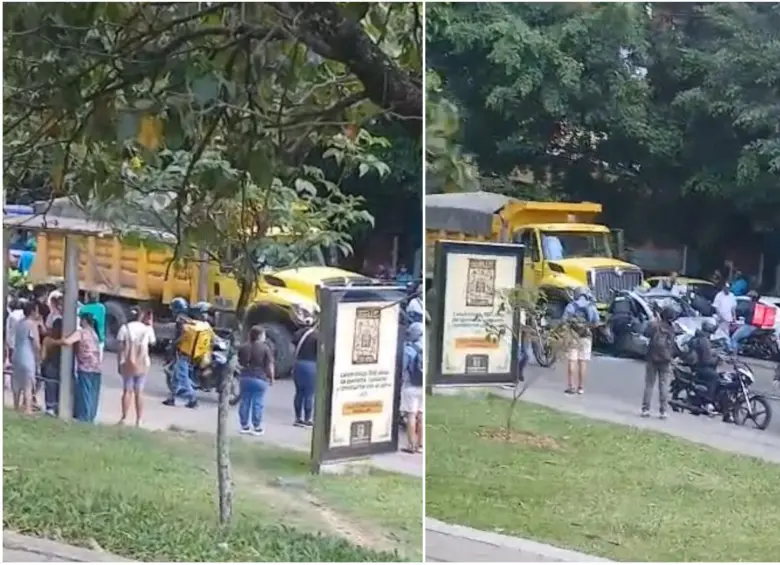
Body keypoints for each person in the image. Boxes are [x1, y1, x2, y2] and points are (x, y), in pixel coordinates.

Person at [57, 312, 103, 422]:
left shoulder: (81, 333)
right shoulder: (94, 333)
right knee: (93, 394)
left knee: (85, 393)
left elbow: (67, 342)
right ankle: (91, 417)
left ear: (84, 321)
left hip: (86, 367)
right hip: (97, 367)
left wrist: (59, 339)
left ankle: (84, 417)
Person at [116, 307, 156, 427]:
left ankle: (124, 418)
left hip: (127, 363)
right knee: (139, 391)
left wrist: (119, 364)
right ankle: (139, 420)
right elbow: (153, 342)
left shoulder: (124, 328)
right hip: (143, 363)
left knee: (127, 391)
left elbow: (120, 348)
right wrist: (151, 324)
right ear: (140, 316)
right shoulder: (147, 329)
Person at [237, 325, 275, 435]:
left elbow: (240, 362)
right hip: (259, 378)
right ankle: (257, 426)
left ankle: (244, 425)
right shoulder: (265, 348)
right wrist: (271, 378)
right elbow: (269, 365)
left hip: (245, 377)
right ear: (260, 336)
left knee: (245, 401)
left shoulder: (243, 347)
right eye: (264, 335)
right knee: (257, 402)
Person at [641, 306, 677, 419]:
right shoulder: (671, 328)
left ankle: (645, 409)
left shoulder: (655, 325)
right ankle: (663, 411)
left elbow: (645, 333)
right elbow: (672, 345)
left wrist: (653, 322)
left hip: (652, 357)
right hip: (665, 360)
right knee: (664, 385)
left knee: (649, 385)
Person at [562, 286, 600, 394]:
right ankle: (581, 387)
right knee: (583, 362)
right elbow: (596, 322)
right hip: (586, 336)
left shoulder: (571, 306)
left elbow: (564, 320)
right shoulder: (591, 306)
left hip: (573, 336)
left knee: (572, 361)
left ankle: (571, 386)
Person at [163, 297, 198, 409]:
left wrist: (173, 344)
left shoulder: (180, 320)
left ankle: (193, 399)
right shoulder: (187, 319)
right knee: (175, 377)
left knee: (182, 376)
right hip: (186, 352)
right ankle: (171, 398)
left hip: (182, 352)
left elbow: (182, 336)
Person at [11, 301, 41, 414]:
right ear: (33, 311)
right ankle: (28, 408)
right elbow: (36, 343)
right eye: (37, 310)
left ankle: (15, 406)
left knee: (17, 382)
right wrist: (39, 355)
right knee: (28, 383)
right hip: (27, 355)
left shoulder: (19, 323)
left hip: (17, 353)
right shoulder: (32, 324)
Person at [688, 320, 720, 415]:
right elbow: (706, 360)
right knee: (715, 377)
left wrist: (713, 352)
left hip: (697, 366)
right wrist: (717, 359)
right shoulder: (704, 340)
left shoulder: (700, 337)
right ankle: (708, 401)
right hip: (701, 367)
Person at [401, 322, 424, 454]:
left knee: (411, 415)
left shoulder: (409, 349)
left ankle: (411, 445)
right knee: (421, 416)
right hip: (422, 386)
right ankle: (420, 446)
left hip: (410, 386)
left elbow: (403, 367)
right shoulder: (425, 348)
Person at [292, 325, 318, 427]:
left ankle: (298, 418)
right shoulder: (317, 336)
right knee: (309, 394)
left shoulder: (299, 333)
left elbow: (292, 347)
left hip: (298, 364)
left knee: (299, 392)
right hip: (311, 365)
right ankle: (308, 419)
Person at [40, 318, 63, 415]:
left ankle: (50, 407)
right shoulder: (63, 342)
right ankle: (58, 407)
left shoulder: (48, 340)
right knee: (59, 387)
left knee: (49, 387)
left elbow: (43, 356)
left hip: (49, 366)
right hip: (61, 367)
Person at [78, 291, 107, 361]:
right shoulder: (102, 308)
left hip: (87, 339)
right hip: (100, 338)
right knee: (97, 361)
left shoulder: (83, 309)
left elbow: (80, 322)